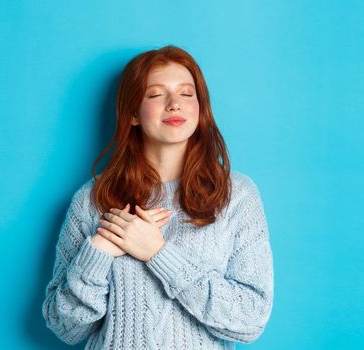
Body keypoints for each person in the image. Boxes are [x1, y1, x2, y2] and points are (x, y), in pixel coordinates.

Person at [42, 45, 274, 349]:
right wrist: (98, 250)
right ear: (133, 114)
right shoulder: (93, 199)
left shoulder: (236, 195)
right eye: (155, 94)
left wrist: (158, 253)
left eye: (186, 94)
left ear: (201, 109)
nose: (174, 104)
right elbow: (65, 327)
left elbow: (251, 319)